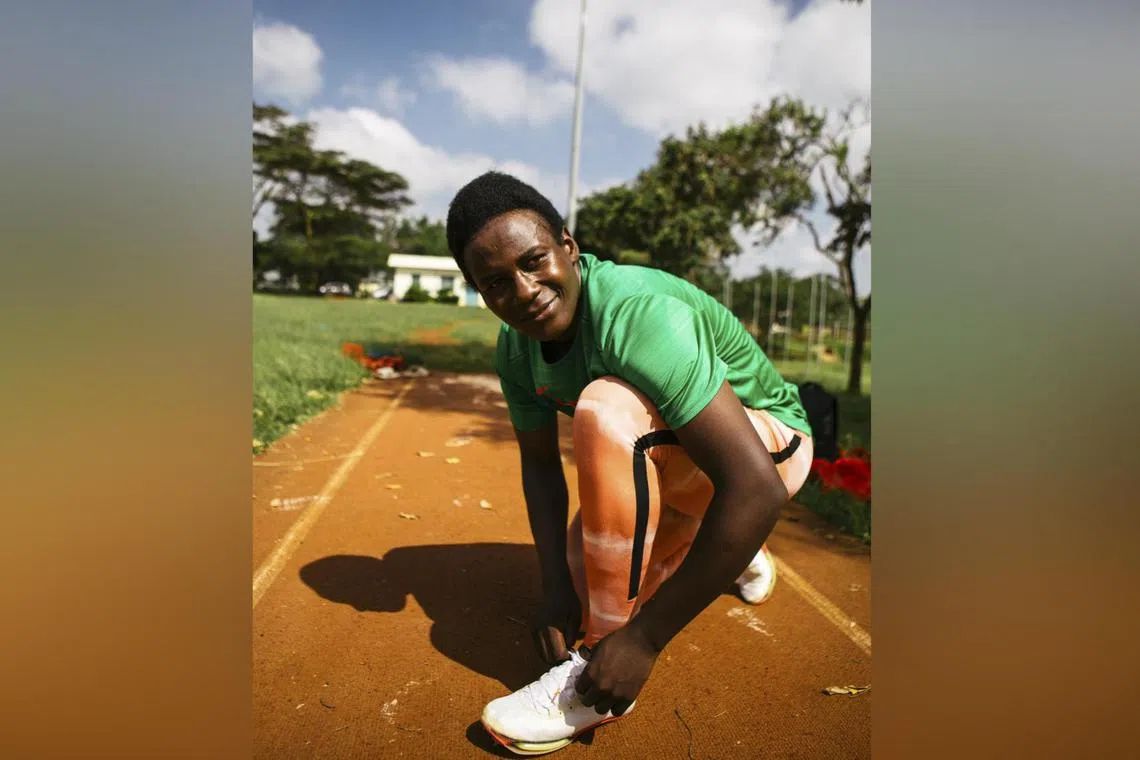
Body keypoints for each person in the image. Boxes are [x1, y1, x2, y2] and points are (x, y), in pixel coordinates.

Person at [446, 171, 814, 756]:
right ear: (479, 293)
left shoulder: (637, 313)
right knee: (584, 568)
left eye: (535, 261)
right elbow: (539, 466)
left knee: (607, 408)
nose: (524, 290)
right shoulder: (515, 348)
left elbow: (755, 487)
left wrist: (641, 640)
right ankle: (733, 545)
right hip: (693, 462)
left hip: (769, 448)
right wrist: (554, 587)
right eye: (496, 283)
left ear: (568, 247)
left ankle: (595, 673)